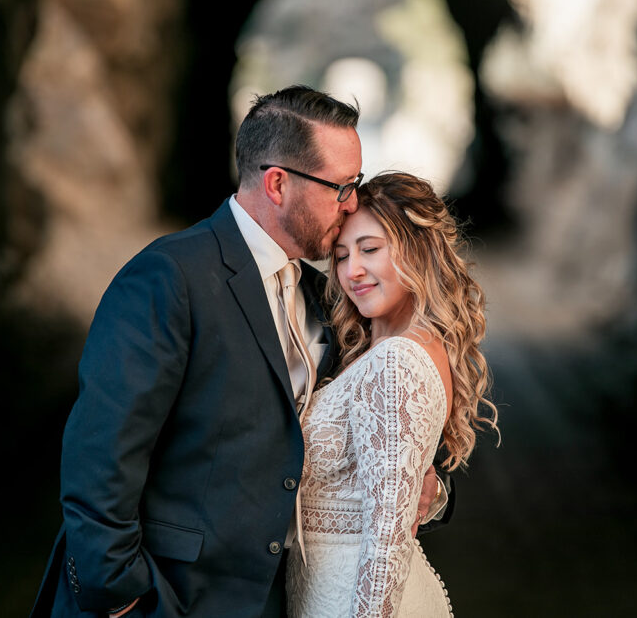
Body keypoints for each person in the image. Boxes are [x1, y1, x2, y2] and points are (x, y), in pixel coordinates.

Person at [28, 86, 450, 618]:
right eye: (341, 187)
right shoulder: (168, 278)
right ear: (277, 183)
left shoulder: (326, 298)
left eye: (356, 185)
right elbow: (100, 458)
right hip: (170, 598)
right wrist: (124, 599)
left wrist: (432, 488)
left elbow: (381, 426)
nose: (351, 204)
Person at [286, 172, 499, 616]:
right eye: (341, 256)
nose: (351, 271)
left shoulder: (397, 361)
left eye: (370, 249)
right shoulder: (379, 348)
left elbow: (386, 546)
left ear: (417, 249)